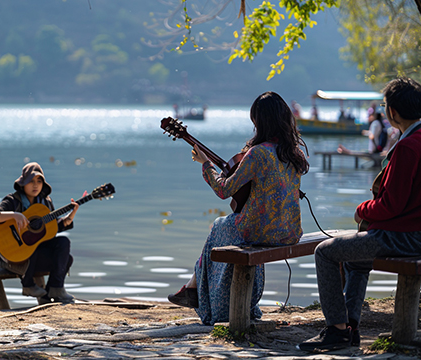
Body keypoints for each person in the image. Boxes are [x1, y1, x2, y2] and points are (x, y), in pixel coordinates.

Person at [298, 77, 421, 352]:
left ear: (392, 112)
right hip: (413, 234)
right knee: (355, 259)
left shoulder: (407, 147)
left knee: (325, 252)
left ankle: (336, 330)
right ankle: (350, 325)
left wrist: (360, 210)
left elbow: (392, 206)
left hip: (404, 238)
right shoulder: (413, 140)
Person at [167, 91, 310, 325]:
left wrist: (206, 165)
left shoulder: (258, 153)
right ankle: (198, 290)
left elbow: (224, 190)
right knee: (225, 227)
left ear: (260, 122)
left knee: (219, 226)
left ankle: (205, 297)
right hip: (290, 233)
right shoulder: (294, 153)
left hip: (259, 232)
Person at [0, 162, 79, 304]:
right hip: (9, 258)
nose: (35, 185)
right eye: (31, 181)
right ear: (23, 184)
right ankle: (28, 285)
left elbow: (48, 232)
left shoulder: (46, 203)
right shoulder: (12, 200)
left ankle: (55, 288)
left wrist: (68, 219)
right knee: (31, 241)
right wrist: (14, 215)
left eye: (39, 181)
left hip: (32, 256)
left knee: (64, 245)